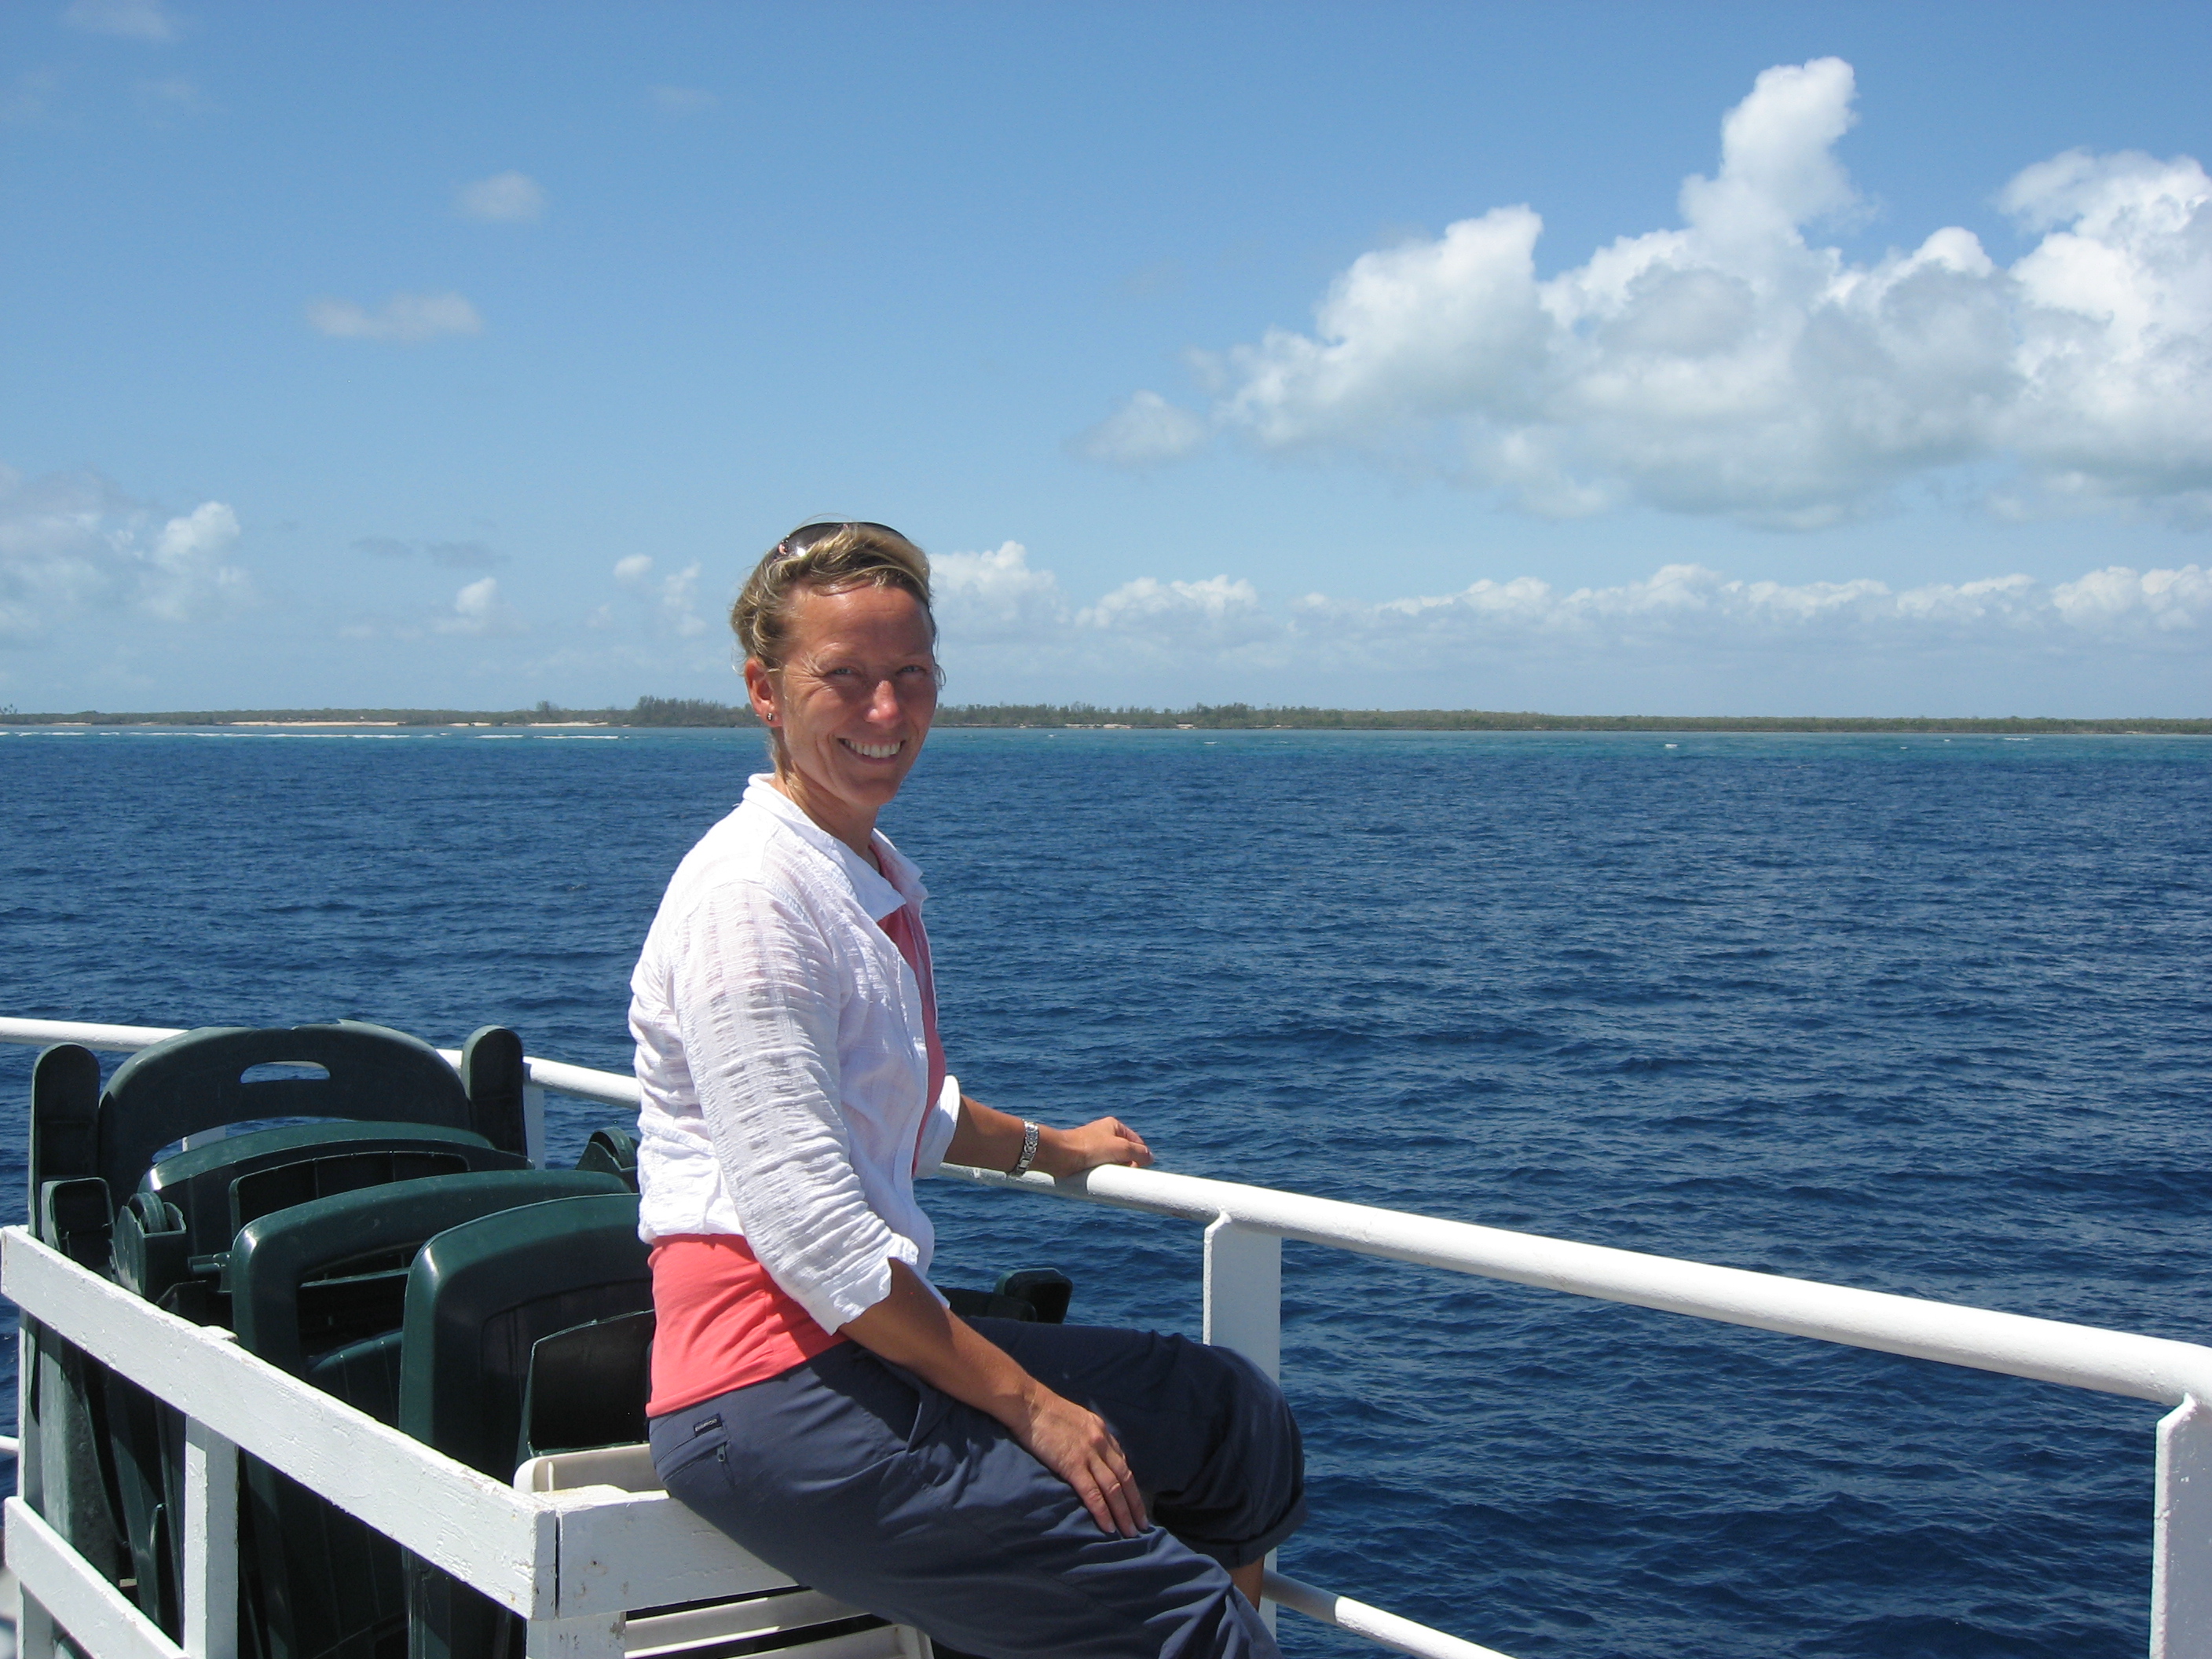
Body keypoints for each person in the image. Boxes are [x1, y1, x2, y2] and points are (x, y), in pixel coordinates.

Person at [629, 521, 1305, 1658]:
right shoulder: (752, 897)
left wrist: (1054, 1148)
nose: (885, 715)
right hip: (771, 1387)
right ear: (765, 689)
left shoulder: (857, 875)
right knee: (1185, 1628)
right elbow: (812, 1234)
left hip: (865, 1341)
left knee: (1230, 1424)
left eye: (911, 678)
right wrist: (1030, 1406)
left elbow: (901, 1109)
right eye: (844, 679)